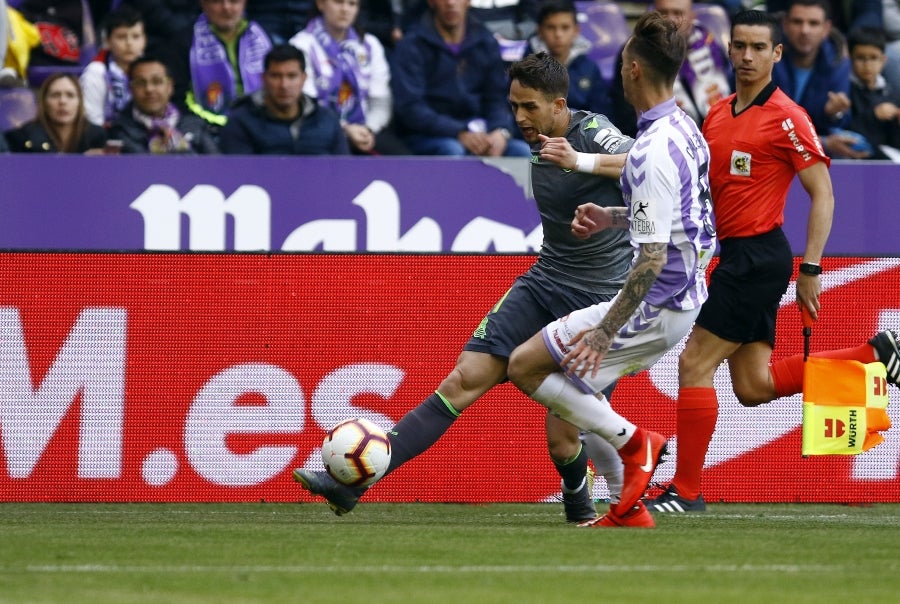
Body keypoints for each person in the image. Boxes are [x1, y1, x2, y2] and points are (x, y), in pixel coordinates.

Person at [294, 50, 636, 523]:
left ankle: (579, 494)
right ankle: (354, 481)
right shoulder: (539, 138)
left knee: (562, 439)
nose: (519, 117)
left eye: (530, 107)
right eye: (514, 106)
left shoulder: (591, 132)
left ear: (560, 105)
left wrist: (582, 161)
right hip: (544, 282)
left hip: (597, 303)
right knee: (463, 379)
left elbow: (645, 164)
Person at [644, 9, 899, 514]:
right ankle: (875, 355)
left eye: (758, 47)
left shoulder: (789, 117)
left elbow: (823, 194)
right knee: (752, 388)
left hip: (759, 258)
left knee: (694, 363)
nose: (746, 56)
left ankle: (687, 492)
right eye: (739, 46)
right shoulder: (716, 113)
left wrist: (811, 268)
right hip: (733, 255)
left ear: (776, 54)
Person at [506, 11, 717, 529]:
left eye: (623, 60)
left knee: (526, 366)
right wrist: (612, 216)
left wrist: (604, 331)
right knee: (577, 400)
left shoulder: (650, 151)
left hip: (657, 304)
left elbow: (648, 260)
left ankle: (637, 444)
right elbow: (677, 218)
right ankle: (629, 507)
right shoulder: (684, 128)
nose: (620, 69)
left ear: (634, 70)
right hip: (683, 296)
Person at [390, 0, 531, 157]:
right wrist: (458, 131)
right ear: (431, 2)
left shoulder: (486, 41)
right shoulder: (412, 44)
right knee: (453, 150)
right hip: (427, 135)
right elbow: (410, 108)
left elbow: (496, 99)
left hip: (480, 132)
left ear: (468, 2)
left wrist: (500, 131)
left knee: (521, 152)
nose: (451, 3)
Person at [289, 0, 409, 155]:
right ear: (320, 4)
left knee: (404, 161)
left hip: (366, 130)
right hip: (318, 131)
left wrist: (368, 129)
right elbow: (306, 102)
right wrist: (345, 129)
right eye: (338, 2)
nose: (345, 9)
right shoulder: (302, 44)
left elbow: (380, 102)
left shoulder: (370, 45)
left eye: (352, 4)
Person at [609, 0, 731, 137]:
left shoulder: (710, 44)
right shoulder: (636, 52)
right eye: (663, 13)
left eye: (677, 13)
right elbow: (625, 115)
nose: (670, 20)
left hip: (717, 133)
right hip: (659, 138)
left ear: (692, 16)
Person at [219, 44, 350, 154]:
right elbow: (237, 174)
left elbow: (344, 171)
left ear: (304, 78)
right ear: (263, 78)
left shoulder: (327, 119)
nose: (284, 85)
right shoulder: (241, 121)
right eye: (276, 76)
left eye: (292, 76)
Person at [168, 0, 273, 133]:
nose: (226, 7)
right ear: (203, 4)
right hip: (205, 128)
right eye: (217, 1)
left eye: (234, 1)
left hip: (262, 124)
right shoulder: (184, 41)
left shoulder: (263, 36)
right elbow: (177, 95)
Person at [771, 0, 855, 156]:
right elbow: (765, 122)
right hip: (771, 149)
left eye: (813, 23)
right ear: (785, 24)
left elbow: (843, 120)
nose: (805, 30)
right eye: (797, 22)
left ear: (826, 29)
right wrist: (822, 142)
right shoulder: (765, 57)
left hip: (815, 154)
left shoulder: (838, 62)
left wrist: (833, 113)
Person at [108, 55, 219, 153]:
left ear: (170, 86)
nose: (149, 89)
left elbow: (216, 169)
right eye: (141, 83)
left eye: (157, 81)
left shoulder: (195, 126)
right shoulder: (120, 131)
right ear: (130, 88)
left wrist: (182, 149)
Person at [525, 0, 610, 115]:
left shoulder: (590, 68)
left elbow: (602, 114)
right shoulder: (526, 68)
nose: (558, 34)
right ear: (540, 31)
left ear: (576, 30)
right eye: (551, 27)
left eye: (565, 27)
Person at [833, 26, 900, 159]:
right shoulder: (845, 89)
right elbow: (844, 130)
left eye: (874, 58)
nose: (867, 64)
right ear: (850, 59)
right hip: (854, 157)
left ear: (883, 60)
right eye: (861, 58)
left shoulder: (891, 92)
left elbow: (894, 141)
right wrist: (874, 116)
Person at [80, 5, 147, 127]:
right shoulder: (96, 73)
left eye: (136, 36)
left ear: (145, 40)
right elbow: (92, 122)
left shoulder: (151, 70)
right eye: (121, 37)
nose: (129, 43)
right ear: (107, 41)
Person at [5, 72, 107, 152]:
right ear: (44, 102)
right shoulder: (22, 137)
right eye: (55, 95)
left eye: (70, 95)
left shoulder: (96, 137)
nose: (62, 101)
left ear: (79, 102)